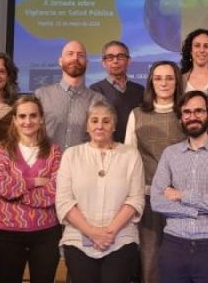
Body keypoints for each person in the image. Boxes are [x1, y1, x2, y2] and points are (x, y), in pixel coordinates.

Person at [150, 90, 208, 283]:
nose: (192, 117)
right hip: (174, 247)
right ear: (181, 119)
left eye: (199, 111)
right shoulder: (170, 154)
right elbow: (157, 201)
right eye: (187, 112)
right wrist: (200, 209)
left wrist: (180, 195)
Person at [56, 101, 145, 283]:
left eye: (106, 121)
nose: (99, 126)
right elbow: (64, 201)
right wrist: (92, 232)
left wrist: (109, 232)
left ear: (114, 126)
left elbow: (135, 198)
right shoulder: (71, 155)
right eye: (94, 120)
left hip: (121, 239)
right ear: (87, 126)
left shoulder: (130, 155)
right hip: (78, 240)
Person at [123, 60, 185, 283]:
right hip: (148, 199)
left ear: (177, 81)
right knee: (149, 262)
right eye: (158, 78)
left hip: (181, 200)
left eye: (169, 78)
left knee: (179, 261)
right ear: (151, 82)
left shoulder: (186, 114)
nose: (164, 83)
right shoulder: (137, 114)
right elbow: (128, 160)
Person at [0, 95, 62, 283]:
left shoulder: (55, 151)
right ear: (14, 120)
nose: (27, 121)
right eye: (22, 116)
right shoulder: (2, 149)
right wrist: (34, 182)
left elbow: (54, 192)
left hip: (46, 233)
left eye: (33, 115)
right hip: (7, 233)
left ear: (41, 118)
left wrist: (15, 194)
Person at [35, 40, 105, 150]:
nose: (75, 58)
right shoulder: (42, 95)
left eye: (80, 55)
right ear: (60, 61)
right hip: (47, 165)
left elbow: (102, 139)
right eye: (70, 54)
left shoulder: (98, 99)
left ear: (87, 62)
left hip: (83, 165)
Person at [90, 41, 145, 143]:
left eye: (120, 57)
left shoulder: (140, 90)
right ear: (104, 63)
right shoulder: (95, 90)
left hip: (135, 149)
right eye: (110, 57)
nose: (115, 61)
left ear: (128, 61)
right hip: (105, 148)